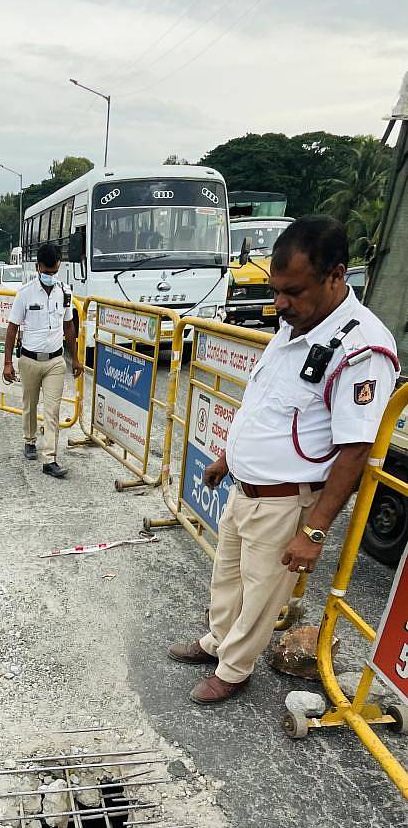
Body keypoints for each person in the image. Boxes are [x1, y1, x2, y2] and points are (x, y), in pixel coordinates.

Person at [169, 215, 399, 704]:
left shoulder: (361, 349)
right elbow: (270, 406)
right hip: (246, 488)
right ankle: (217, 642)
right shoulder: (294, 325)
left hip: (284, 500)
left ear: (335, 276)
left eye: (293, 291)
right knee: (227, 576)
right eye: (276, 290)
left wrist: (313, 532)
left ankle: (234, 669)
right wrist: (229, 458)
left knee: (261, 593)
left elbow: (355, 449)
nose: (279, 303)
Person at [3, 242, 82, 479]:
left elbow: (69, 326)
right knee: (30, 404)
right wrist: (7, 363)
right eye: (47, 272)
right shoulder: (25, 293)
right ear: (38, 267)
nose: (50, 276)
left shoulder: (64, 292)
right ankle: (29, 440)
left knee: (52, 410)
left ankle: (50, 459)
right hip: (29, 360)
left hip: (55, 362)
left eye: (54, 271)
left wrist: (76, 359)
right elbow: (12, 328)